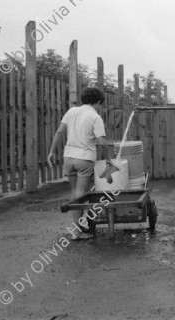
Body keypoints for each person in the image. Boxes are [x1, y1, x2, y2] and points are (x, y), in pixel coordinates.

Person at [47, 88, 113, 240]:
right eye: (100, 104)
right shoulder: (95, 117)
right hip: (84, 158)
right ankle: (76, 232)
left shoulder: (71, 112)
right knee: (81, 193)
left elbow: (59, 132)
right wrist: (108, 159)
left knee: (74, 192)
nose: (99, 107)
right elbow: (102, 141)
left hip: (69, 157)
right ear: (97, 102)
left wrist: (51, 151)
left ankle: (77, 227)